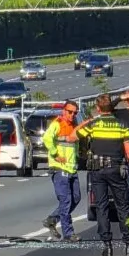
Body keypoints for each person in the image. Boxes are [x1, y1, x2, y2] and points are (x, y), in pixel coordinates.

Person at [76, 94, 129, 256]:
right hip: (116, 169)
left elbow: (72, 137)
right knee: (123, 206)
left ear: (98, 108)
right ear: (111, 108)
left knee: (101, 206)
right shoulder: (122, 125)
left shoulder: (93, 125)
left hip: (97, 170)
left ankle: (107, 245)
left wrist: (86, 122)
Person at [42, 101, 82, 241]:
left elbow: (74, 146)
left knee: (76, 198)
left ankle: (52, 219)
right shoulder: (57, 123)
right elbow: (47, 138)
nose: (72, 115)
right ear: (64, 111)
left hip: (71, 168)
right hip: (59, 169)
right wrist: (54, 154)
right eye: (70, 112)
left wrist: (78, 158)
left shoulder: (74, 126)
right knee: (66, 200)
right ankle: (68, 233)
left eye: (75, 112)